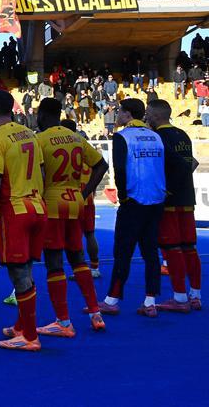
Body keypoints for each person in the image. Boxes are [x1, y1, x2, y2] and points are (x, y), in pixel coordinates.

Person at [0, 90, 46, 351]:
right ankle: (22, 326)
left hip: (16, 211)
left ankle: (29, 336)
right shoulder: (30, 134)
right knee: (26, 269)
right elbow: (41, 171)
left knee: (19, 274)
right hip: (38, 207)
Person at [33, 98, 109, 337]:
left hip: (52, 204)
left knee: (54, 262)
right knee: (78, 258)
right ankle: (95, 312)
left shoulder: (39, 139)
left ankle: (63, 321)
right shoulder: (77, 138)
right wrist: (85, 192)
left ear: (43, 115)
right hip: (75, 202)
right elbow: (101, 165)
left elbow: (40, 174)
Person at [96, 98, 167, 318]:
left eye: (119, 111)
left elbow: (119, 168)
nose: (116, 115)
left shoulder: (122, 136)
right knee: (151, 252)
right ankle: (150, 301)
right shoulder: (156, 136)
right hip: (156, 199)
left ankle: (112, 300)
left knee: (123, 252)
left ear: (127, 114)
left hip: (134, 200)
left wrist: (124, 196)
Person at [146, 99, 202, 312]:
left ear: (157, 115)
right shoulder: (183, 135)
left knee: (172, 248)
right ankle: (195, 295)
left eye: (149, 113)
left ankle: (179, 298)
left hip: (167, 199)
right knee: (189, 247)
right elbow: (192, 163)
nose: (147, 117)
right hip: (187, 198)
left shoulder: (158, 137)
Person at [62, 119, 102, 279]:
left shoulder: (66, 147)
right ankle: (94, 267)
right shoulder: (85, 147)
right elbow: (99, 167)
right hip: (88, 199)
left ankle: (79, 269)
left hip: (72, 198)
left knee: (74, 235)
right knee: (90, 233)